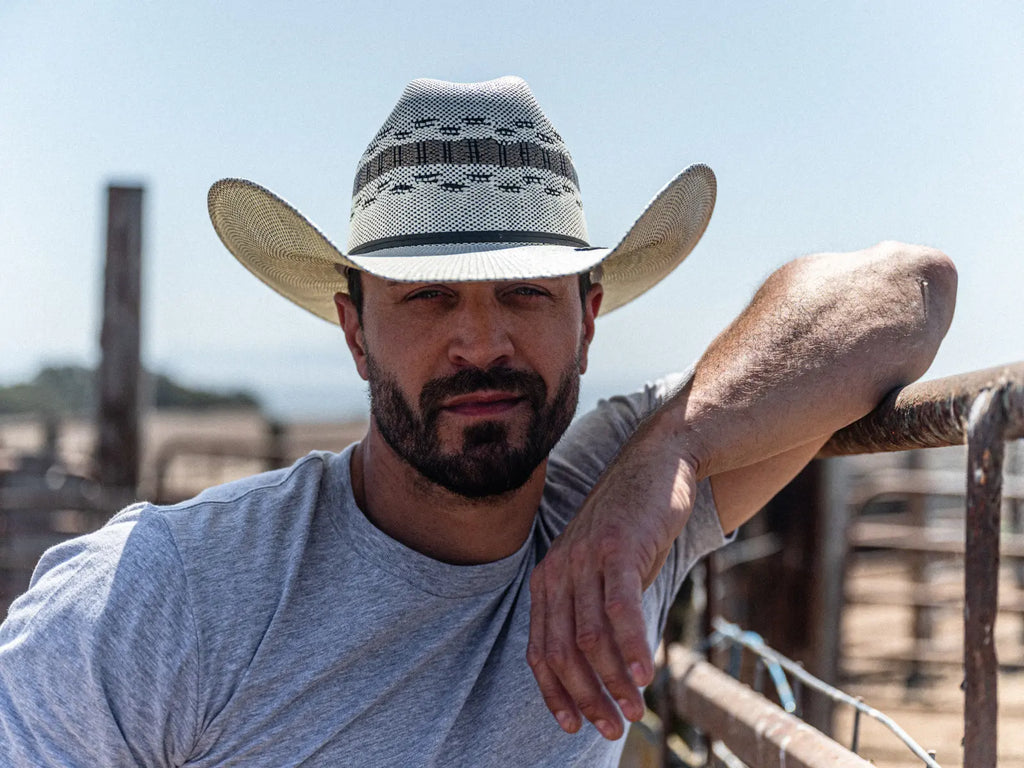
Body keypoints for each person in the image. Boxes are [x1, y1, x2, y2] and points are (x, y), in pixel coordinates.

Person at [0, 76, 956, 767]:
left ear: (587, 320)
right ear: (354, 329)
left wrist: (668, 457)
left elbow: (912, 289)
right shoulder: (169, 598)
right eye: (426, 297)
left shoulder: (611, 507)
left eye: (526, 291)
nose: (482, 341)